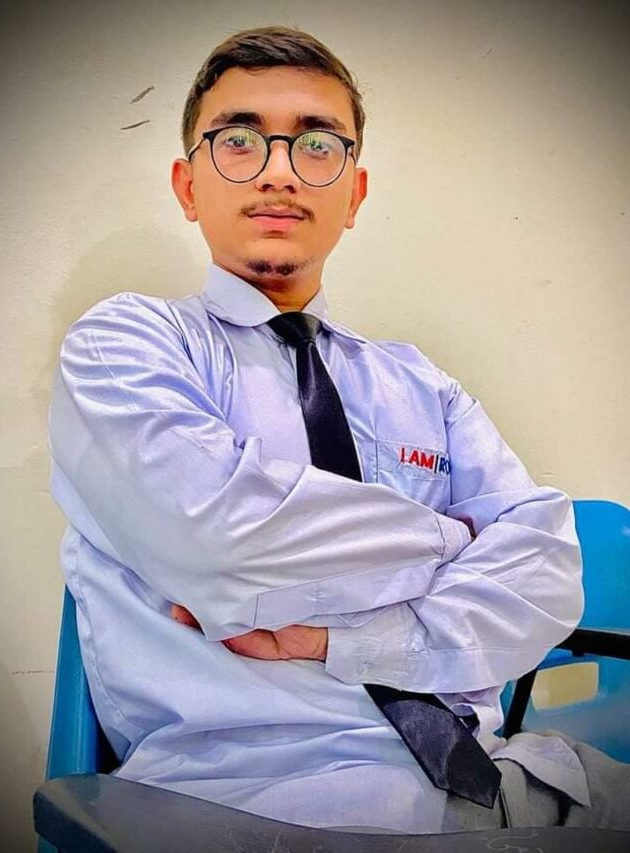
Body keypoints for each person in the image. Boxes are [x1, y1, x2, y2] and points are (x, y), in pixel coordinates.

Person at [48, 25, 630, 835]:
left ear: (353, 195)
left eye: (317, 144)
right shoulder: (126, 346)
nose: (279, 170)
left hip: (498, 778)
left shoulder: (421, 384)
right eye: (240, 139)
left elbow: (546, 573)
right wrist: (456, 540)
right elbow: (225, 537)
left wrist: (343, 636)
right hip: (257, 797)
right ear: (188, 186)